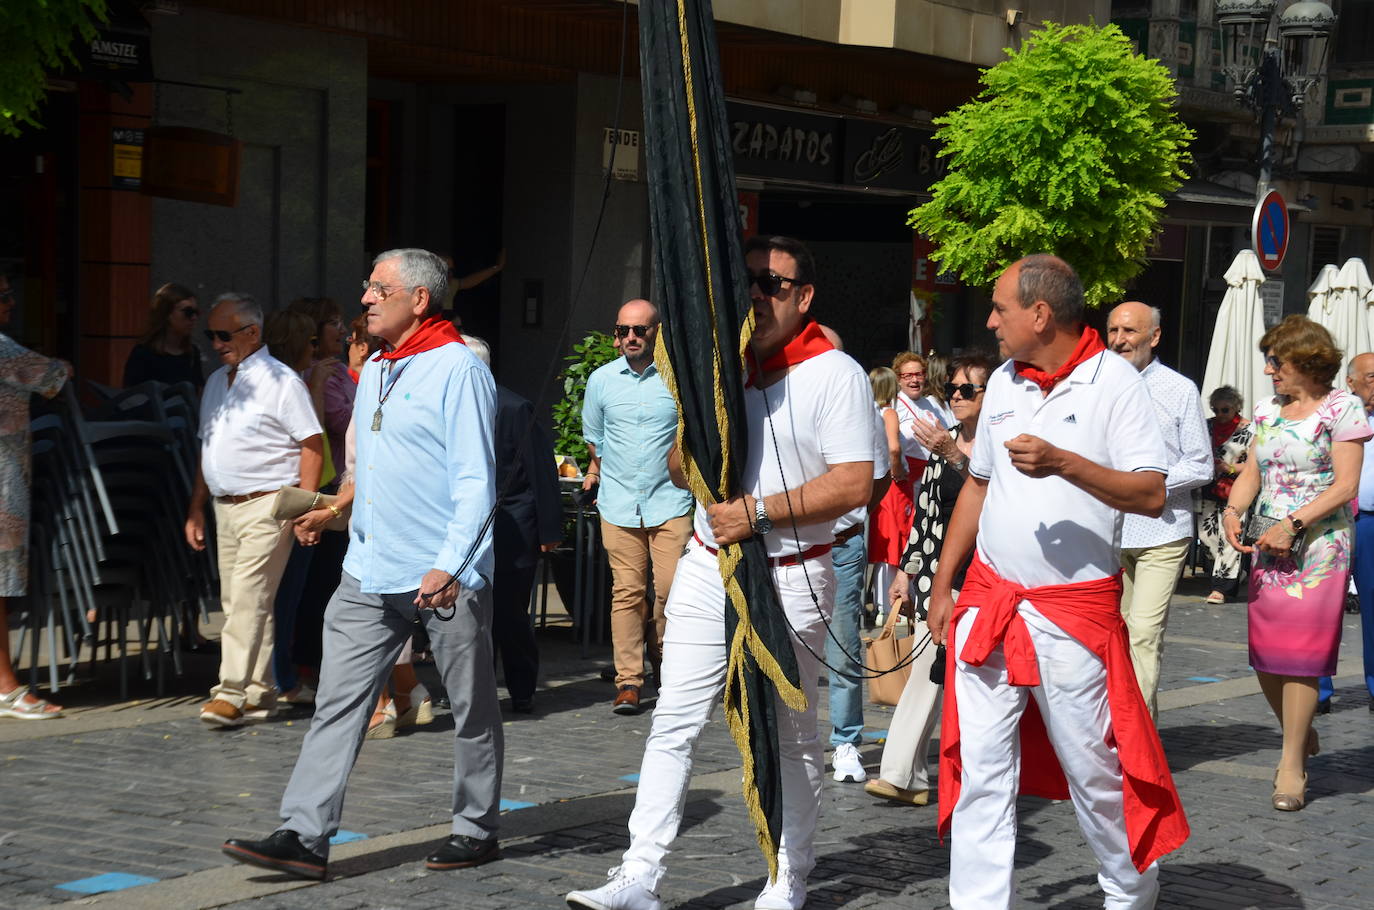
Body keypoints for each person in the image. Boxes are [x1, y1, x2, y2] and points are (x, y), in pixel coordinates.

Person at [565, 235, 874, 910]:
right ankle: (638, 876)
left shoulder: (835, 373)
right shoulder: (724, 365)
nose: (760, 296)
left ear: (805, 296)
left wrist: (759, 512)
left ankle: (788, 877)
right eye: (752, 283)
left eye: (776, 285)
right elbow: (683, 466)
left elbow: (855, 484)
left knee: (792, 734)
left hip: (793, 570)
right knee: (674, 720)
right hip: (710, 563)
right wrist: (698, 443)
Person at [221, 247, 503, 879]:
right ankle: (303, 833)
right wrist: (334, 509)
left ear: (419, 299)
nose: (366, 298)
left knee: (471, 705)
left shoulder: (459, 369)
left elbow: (476, 483)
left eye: (379, 289)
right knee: (337, 705)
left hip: (443, 578)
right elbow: (367, 468)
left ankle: (476, 825)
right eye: (368, 288)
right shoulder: (377, 366)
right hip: (369, 570)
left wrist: (450, 565)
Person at [927, 255, 1188, 908]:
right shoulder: (1006, 383)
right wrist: (941, 581)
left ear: (1040, 315)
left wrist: (1065, 463)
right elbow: (979, 485)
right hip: (989, 603)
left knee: (1094, 771)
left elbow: (1152, 494)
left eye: (999, 309)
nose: (990, 320)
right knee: (982, 772)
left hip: (1073, 617)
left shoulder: (1116, 385)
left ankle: (1129, 893)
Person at [1221, 316, 1371, 811]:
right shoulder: (1267, 411)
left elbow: (1346, 485)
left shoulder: (1342, 408)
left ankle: (1291, 765)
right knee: (1266, 651)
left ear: (1306, 361)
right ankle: (1299, 732)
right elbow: (1253, 470)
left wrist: (1296, 524)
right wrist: (1233, 510)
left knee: (1302, 653)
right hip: (1269, 540)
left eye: (1276, 361)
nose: (1268, 371)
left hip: (1322, 545)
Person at [185, 293, 323, 728]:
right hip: (226, 506)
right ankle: (260, 694)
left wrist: (304, 509)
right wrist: (196, 509)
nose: (215, 342)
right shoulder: (215, 382)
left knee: (246, 600)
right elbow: (208, 448)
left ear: (252, 332)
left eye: (223, 334)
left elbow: (312, 446)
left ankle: (229, 692)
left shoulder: (281, 380)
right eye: (210, 335)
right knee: (246, 602)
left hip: (268, 505)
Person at [868, 353, 995, 807]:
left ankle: (913, 773)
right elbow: (926, 515)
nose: (956, 397)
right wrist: (906, 571)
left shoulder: (1000, 444)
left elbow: (994, 497)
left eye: (968, 390)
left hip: (981, 577)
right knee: (928, 670)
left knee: (970, 681)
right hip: (936, 577)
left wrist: (954, 455)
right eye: (953, 390)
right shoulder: (950, 437)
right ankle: (904, 774)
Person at [581, 299, 694, 715]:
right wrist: (611, 469)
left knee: (670, 594)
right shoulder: (601, 380)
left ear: (656, 333)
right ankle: (628, 680)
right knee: (627, 593)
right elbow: (594, 436)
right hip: (619, 501)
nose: (630, 337)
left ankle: (666, 663)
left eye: (639, 330)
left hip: (671, 501)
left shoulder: (678, 378)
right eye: (623, 329)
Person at [1106, 300, 1212, 719]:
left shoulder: (1179, 388)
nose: (1119, 340)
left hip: (1161, 530)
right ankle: (1108, 730)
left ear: (1154, 336)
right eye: (1113, 330)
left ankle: (1137, 736)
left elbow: (1200, 462)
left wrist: (1148, 488)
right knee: (1110, 635)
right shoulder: (1093, 384)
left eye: (1129, 331)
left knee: (1144, 633)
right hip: (1108, 530)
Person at [464, 334, 562, 713]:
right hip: (467, 528)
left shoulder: (514, 407)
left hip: (512, 530)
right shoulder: (449, 405)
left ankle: (522, 688)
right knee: (472, 615)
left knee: (509, 612)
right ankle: (477, 688)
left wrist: (548, 531)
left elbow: (541, 471)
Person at [818, 334, 891, 786]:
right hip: (784, 545)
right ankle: (791, 739)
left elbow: (877, 478)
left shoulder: (858, 404)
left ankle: (846, 739)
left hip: (841, 542)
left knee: (843, 645)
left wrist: (850, 518)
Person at [0, 272, 71, 720]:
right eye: (3, 295)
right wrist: (63, 364)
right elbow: (54, 377)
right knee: (0, 585)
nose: (10, 302)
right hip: (3, 483)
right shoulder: (5, 349)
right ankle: (6, 687)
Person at [870, 352, 943, 621]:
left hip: (931, 478)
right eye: (908, 375)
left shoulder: (933, 404)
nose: (915, 380)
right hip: (904, 481)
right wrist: (899, 471)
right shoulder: (893, 406)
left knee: (922, 538)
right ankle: (888, 606)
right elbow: (891, 446)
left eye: (919, 374)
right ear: (898, 378)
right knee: (896, 541)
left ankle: (915, 597)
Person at [1198, 386, 1252, 605]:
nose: (1219, 414)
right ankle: (1234, 574)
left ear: (1236, 407)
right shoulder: (1207, 426)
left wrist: (1228, 468)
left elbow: (1253, 466)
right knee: (1207, 537)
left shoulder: (1250, 430)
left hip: (1236, 492)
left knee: (1230, 539)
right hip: (1209, 489)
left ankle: (1222, 589)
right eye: (1216, 409)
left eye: (1225, 410)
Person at [122, 282, 204, 389]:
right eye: (188, 312)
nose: (194, 318)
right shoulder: (143, 354)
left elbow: (199, 395)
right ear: (166, 313)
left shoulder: (192, 353)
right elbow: (130, 398)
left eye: (196, 312)